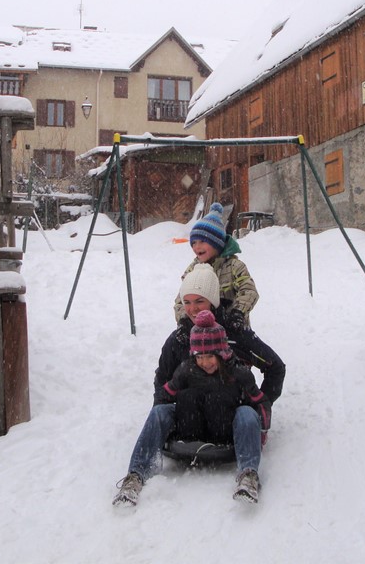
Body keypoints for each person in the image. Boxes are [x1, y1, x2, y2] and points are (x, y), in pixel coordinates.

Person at [113, 311, 270, 507]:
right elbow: (164, 396)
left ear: (221, 353)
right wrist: (159, 425)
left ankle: (248, 475)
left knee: (247, 413)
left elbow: (260, 402)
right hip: (189, 427)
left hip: (225, 431)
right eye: (199, 357)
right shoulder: (186, 370)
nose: (205, 362)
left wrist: (260, 431)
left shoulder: (238, 373)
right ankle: (135, 475)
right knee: (160, 411)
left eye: (210, 356)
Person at [157, 262, 285, 404]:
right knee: (160, 413)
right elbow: (162, 377)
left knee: (246, 417)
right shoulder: (180, 337)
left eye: (199, 301)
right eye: (187, 302)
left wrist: (261, 406)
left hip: (231, 414)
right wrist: (164, 406)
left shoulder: (234, 333)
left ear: (212, 302)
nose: (192, 309)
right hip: (189, 414)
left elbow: (275, 367)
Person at [173, 202, 258, 330]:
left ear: (217, 243)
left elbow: (249, 291)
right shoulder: (192, 270)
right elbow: (181, 300)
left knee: (256, 349)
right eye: (194, 243)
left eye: (202, 241)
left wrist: (237, 313)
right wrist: (184, 320)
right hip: (202, 329)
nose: (197, 247)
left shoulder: (234, 266)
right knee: (173, 345)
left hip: (233, 327)